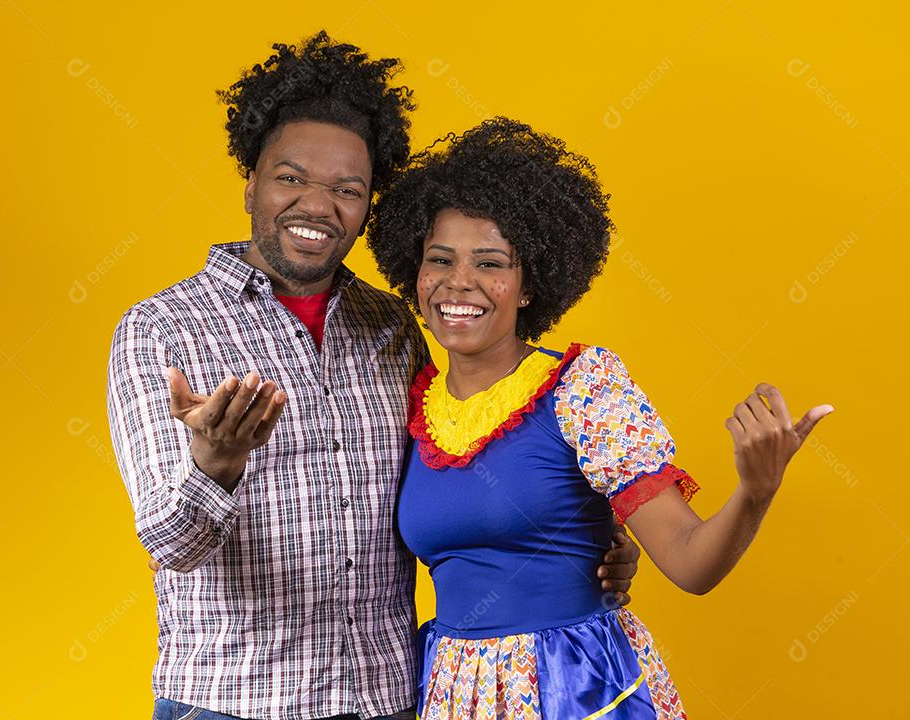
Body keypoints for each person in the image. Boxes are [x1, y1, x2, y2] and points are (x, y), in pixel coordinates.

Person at [106, 36, 641, 720]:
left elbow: (460, 489)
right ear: (251, 182)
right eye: (290, 178)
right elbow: (169, 544)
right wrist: (214, 465)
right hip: (233, 704)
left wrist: (581, 549)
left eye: (347, 189)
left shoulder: (396, 327)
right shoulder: (163, 329)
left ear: (369, 207)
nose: (317, 205)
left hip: (390, 698)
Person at [367, 118, 833, 719]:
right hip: (454, 690)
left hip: (576, 685)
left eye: (491, 263)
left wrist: (756, 490)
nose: (461, 282)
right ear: (416, 271)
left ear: (528, 284)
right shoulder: (409, 400)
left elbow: (691, 563)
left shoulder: (583, 386)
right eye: (441, 259)